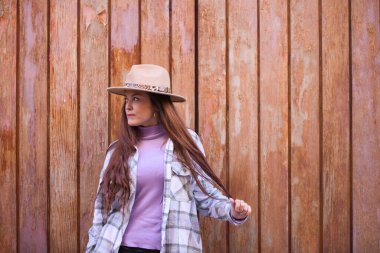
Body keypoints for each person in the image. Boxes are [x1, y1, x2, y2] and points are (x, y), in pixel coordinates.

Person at [86, 64, 252, 253]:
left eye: (137, 99)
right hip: (118, 247)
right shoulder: (117, 150)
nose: (128, 106)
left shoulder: (185, 144)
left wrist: (232, 212)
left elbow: (204, 196)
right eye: (127, 99)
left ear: (156, 103)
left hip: (173, 247)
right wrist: (92, 247)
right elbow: (101, 209)